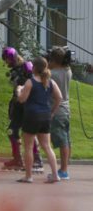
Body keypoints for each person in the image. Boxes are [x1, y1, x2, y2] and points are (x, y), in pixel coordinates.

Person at [16, 56, 62, 183]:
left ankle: (28, 176)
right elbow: (59, 98)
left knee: (29, 147)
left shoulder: (30, 82)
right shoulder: (50, 82)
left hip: (32, 116)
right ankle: (55, 174)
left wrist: (18, 90)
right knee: (47, 146)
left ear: (34, 68)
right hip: (45, 115)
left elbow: (22, 99)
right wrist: (52, 112)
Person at [1, 47, 44, 173]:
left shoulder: (27, 65)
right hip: (18, 104)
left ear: (14, 57)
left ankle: (37, 160)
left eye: (8, 59)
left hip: (29, 103)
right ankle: (17, 159)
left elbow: (35, 81)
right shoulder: (14, 70)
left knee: (30, 132)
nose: (6, 62)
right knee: (11, 131)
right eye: (5, 59)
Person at [48, 47, 72, 180]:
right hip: (66, 109)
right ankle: (65, 168)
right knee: (67, 140)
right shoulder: (67, 70)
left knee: (62, 141)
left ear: (53, 60)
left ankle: (63, 170)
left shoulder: (53, 74)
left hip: (57, 110)